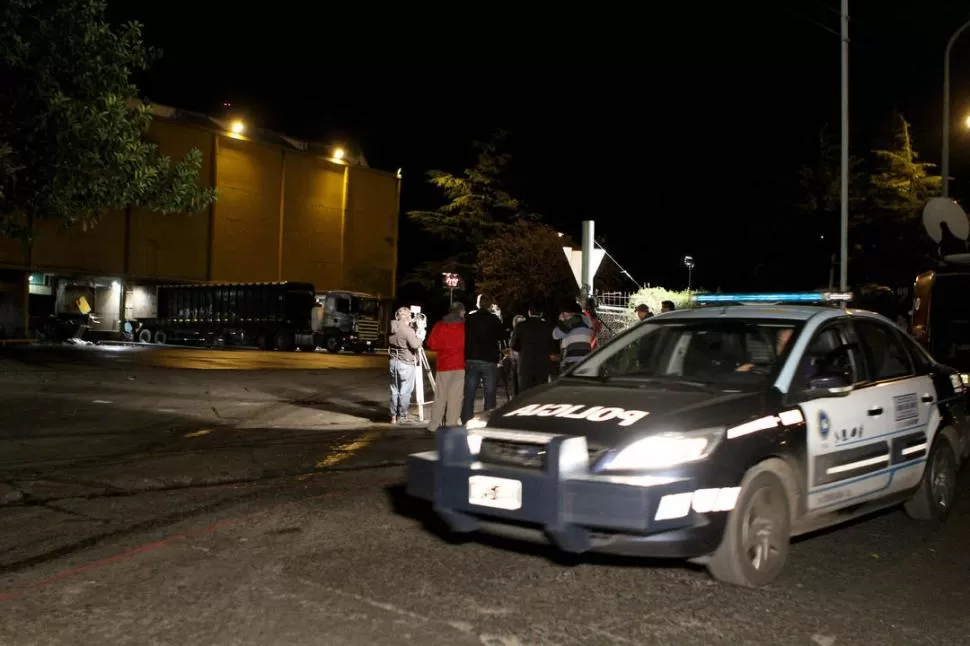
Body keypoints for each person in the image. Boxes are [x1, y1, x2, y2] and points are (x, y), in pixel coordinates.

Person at [462, 294, 505, 423]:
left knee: (469, 392)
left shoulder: (469, 319)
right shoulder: (494, 320)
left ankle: (466, 418)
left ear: (478, 304)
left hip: (472, 358)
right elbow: (501, 336)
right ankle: (488, 419)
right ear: (490, 305)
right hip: (489, 359)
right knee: (490, 392)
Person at [426, 302, 466, 431]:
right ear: (461, 312)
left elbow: (431, 344)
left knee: (440, 396)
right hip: (460, 364)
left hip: (443, 365)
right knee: (455, 397)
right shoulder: (465, 326)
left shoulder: (440, 325)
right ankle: (451, 424)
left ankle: (434, 424)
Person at [388, 307, 422, 425]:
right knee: (405, 391)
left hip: (393, 361)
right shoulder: (407, 331)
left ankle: (393, 415)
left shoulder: (392, 327)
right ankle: (402, 415)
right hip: (406, 363)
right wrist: (420, 336)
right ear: (408, 317)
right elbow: (415, 345)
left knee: (394, 390)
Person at [511, 305, 555, 392]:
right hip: (542, 364)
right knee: (540, 392)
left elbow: (513, 345)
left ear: (529, 313)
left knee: (525, 392)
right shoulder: (547, 327)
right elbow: (552, 346)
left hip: (525, 363)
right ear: (541, 314)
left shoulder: (521, 326)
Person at [554, 300, 596, 373]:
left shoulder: (570, 322)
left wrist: (561, 321)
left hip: (571, 362)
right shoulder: (587, 321)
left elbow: (555, 335)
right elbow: (592, 332)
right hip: (586, 361)